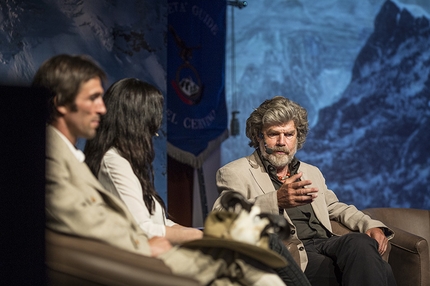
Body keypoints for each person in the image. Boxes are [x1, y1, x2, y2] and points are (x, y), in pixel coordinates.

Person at [35, 54, 285, 285]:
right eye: (92, 98)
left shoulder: (76, 156)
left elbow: (142, 221)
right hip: (130, 259)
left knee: (251, 261)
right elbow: (100, 226)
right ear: (60, 103)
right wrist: (154, 245)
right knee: (250, 260)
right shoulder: (68, 157)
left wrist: (202, 233)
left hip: (138, 252)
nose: (101, 109)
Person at [212, 96, 397, 286]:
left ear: (297, 137)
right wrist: (276, 200)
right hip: (290, 253)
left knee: (361, 242)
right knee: (383, 270)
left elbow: (334, 206)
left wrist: (369, 224)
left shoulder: (310, 171)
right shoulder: (235, 172)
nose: (281, 142)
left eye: (289, 134)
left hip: (327, 243)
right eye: (273, 134)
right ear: (259, 136)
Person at [84, 78, 202, 245]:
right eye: (151, 125)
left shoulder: (125, 162)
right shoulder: (113, 162)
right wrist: (199, 237)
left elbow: (158, 223)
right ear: (136, 123)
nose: (155, 134)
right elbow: (141, 229)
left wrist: (198, 234)